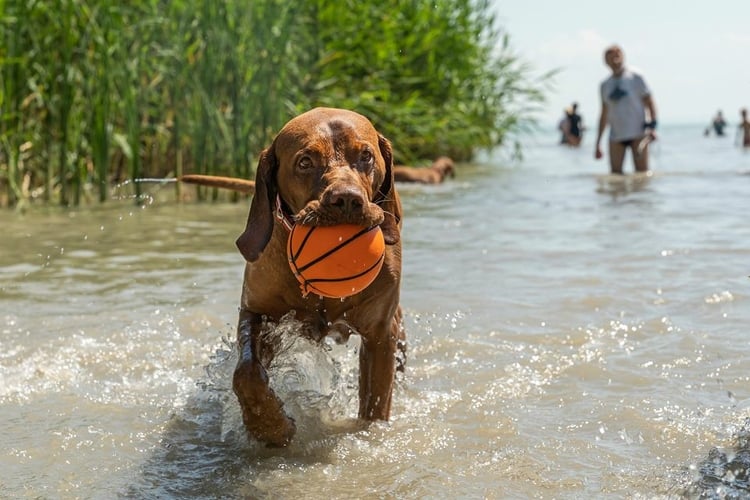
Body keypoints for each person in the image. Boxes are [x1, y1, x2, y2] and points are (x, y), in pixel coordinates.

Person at [594, 45, 657, 174]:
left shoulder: (636, 77)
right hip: (616, 136)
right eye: (610, 57)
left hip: (638, 133)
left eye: (617, 56)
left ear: (623, 57)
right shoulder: (604, 85)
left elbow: (650, 102)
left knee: (642, 174)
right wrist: (598, 142)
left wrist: (653, 126)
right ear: (605, 61)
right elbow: (604, 114)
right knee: (615, 176)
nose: (615, 60)